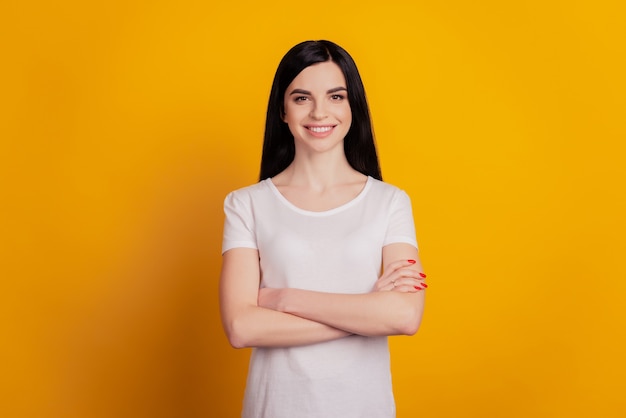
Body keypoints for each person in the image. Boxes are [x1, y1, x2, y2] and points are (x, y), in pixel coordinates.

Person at [219, 40, 427, 418]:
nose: (320, 112)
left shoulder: (390, 202)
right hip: (275, 407)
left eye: (336, 96)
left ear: (353, 107)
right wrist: (367, 316)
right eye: (301, 98)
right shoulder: (246, 204)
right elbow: (241, 327)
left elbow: (404, 317)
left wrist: (284, 299)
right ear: (282, 110)